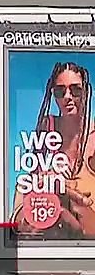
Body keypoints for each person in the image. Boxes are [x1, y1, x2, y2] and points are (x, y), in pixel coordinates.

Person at [12, 61, 95, 238]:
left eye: (75, 90)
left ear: (86, 92)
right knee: (26, 185)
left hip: (86, 220)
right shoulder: (48, 126)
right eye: (60, 91)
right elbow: (32, 178)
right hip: (56, 215)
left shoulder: (93, 136)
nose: (67, 96)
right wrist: (45, 180)